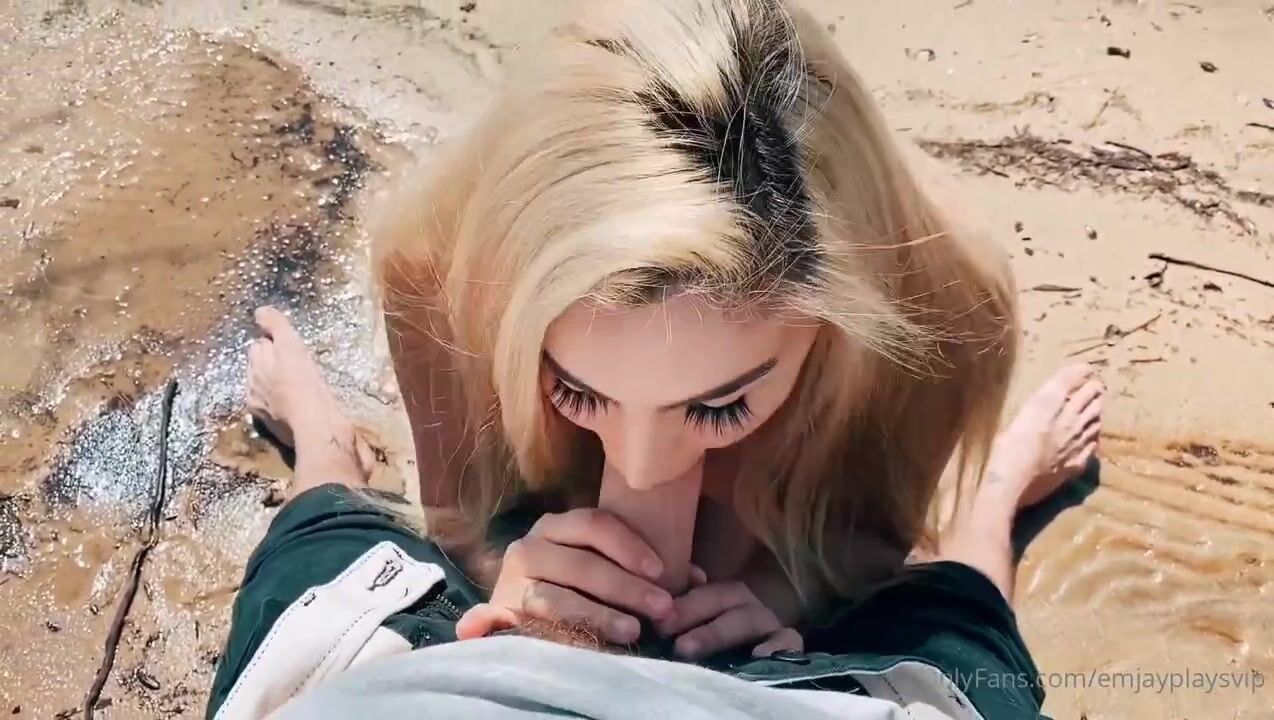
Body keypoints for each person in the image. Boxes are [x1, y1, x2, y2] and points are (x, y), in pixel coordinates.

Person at [207, 0, 1105, 717]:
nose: (637, 470)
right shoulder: (439, 273)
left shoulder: (938, 319)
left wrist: (782, 594)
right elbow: (456, 517)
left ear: (833, 332)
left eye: (719, 404)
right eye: (574, 390)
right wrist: (514, 571)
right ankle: (328, 448)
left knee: (944, 587)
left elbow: (870, 538)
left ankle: (991, 503)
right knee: (342, 524)